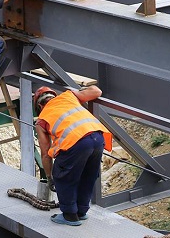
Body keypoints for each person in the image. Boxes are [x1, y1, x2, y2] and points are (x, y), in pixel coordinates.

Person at [33, 85, 113, 226]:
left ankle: (70, 215)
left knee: (62, 175)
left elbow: (46, 154)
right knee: (88, 175)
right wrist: (83, 88)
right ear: (54, 96)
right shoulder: (68, 96)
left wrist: (50, 177)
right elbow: (97, 91)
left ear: (39, 105)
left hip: (77, 142)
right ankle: (81, 211)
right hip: (98, 137)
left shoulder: (42, 120)